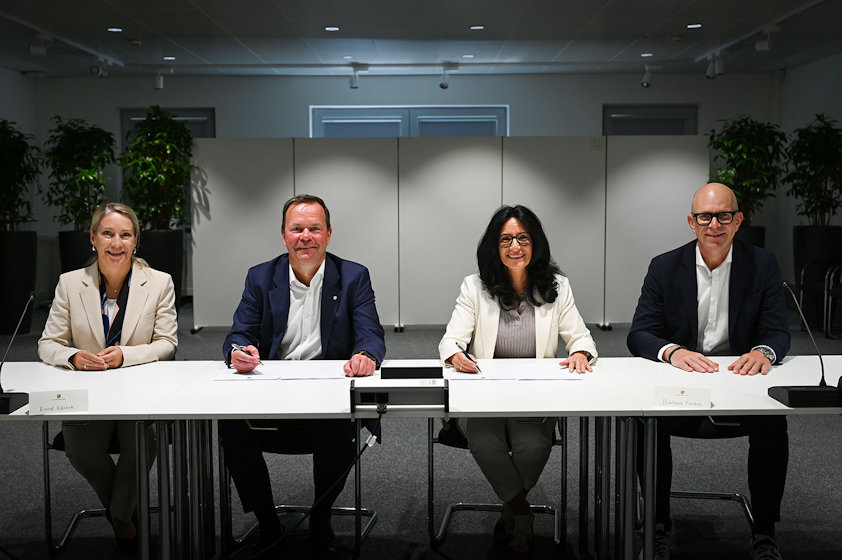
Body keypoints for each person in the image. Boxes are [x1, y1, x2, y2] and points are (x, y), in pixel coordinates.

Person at [627, 183, 790, 560]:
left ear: (738, 221)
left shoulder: (762, 264)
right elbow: (640, 333)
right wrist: (673, 352)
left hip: (740, 385)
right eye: (705, 216)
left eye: (724, 216)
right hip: (680, 387)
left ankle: (765, 532)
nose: (714, 224)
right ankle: (657, 524)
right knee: (643, 423)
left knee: (774, 423)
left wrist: (765, 351)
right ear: (691, 221)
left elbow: (779, 331)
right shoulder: (664, 266)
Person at [219, 194, 386, 559]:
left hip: (326, 395)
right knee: (230, 426)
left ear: (329, 234)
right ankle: (267, 523)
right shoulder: (261, 277)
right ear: (283, 235)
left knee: (341, 427)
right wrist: (238, 352)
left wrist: (365, 355)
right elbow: (239, 333)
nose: (305, 236)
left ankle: (321, 519)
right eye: (297, 229)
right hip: (269, 394)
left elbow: (371, 333)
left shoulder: (353, 276)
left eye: (314, 228)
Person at [438, 205, 597, 555]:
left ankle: (510, 510)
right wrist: (456, 354)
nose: (515, 247)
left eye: (523, 238)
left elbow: (581, 337)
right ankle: (522, 512)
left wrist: (580, 353)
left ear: (535, 243)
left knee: (533, 446)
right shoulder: (475, 287)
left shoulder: (558, 287)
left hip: (535, 397)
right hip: (486, 397)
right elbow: (451, 340)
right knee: (484, 443)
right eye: (506, 239)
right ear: (494, 246)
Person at [38, 202, 178, 549]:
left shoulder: (159, 282)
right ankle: (125, 511)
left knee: (145, 443)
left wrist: (125, 356)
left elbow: (167, 343)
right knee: (79, 448)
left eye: (125, 235)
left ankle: (119, 516)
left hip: (140, 392)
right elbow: (47, 344)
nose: (116, 243)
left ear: (135, 241)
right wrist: (73, 355)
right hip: (89, 391)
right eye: (108, 234)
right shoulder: (70, 284)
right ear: (93, 238)